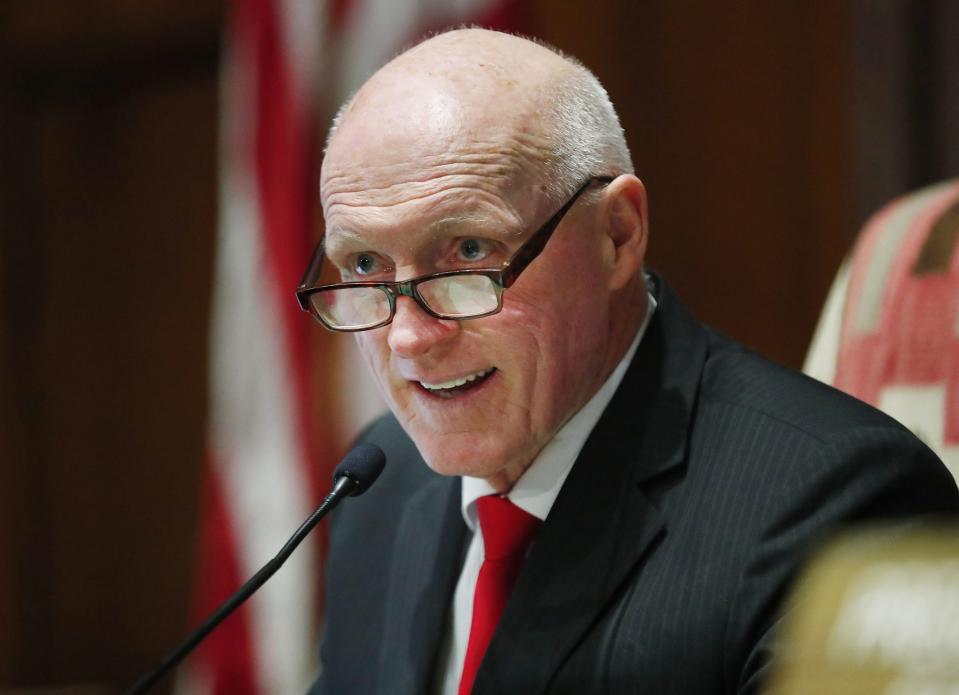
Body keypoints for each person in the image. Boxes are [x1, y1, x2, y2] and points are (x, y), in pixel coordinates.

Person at [299, 29, 959, 694]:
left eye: (469, 251)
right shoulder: (381, 486)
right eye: (363, 265)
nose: (409, 337)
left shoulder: (840, 505)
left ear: (616, 234)